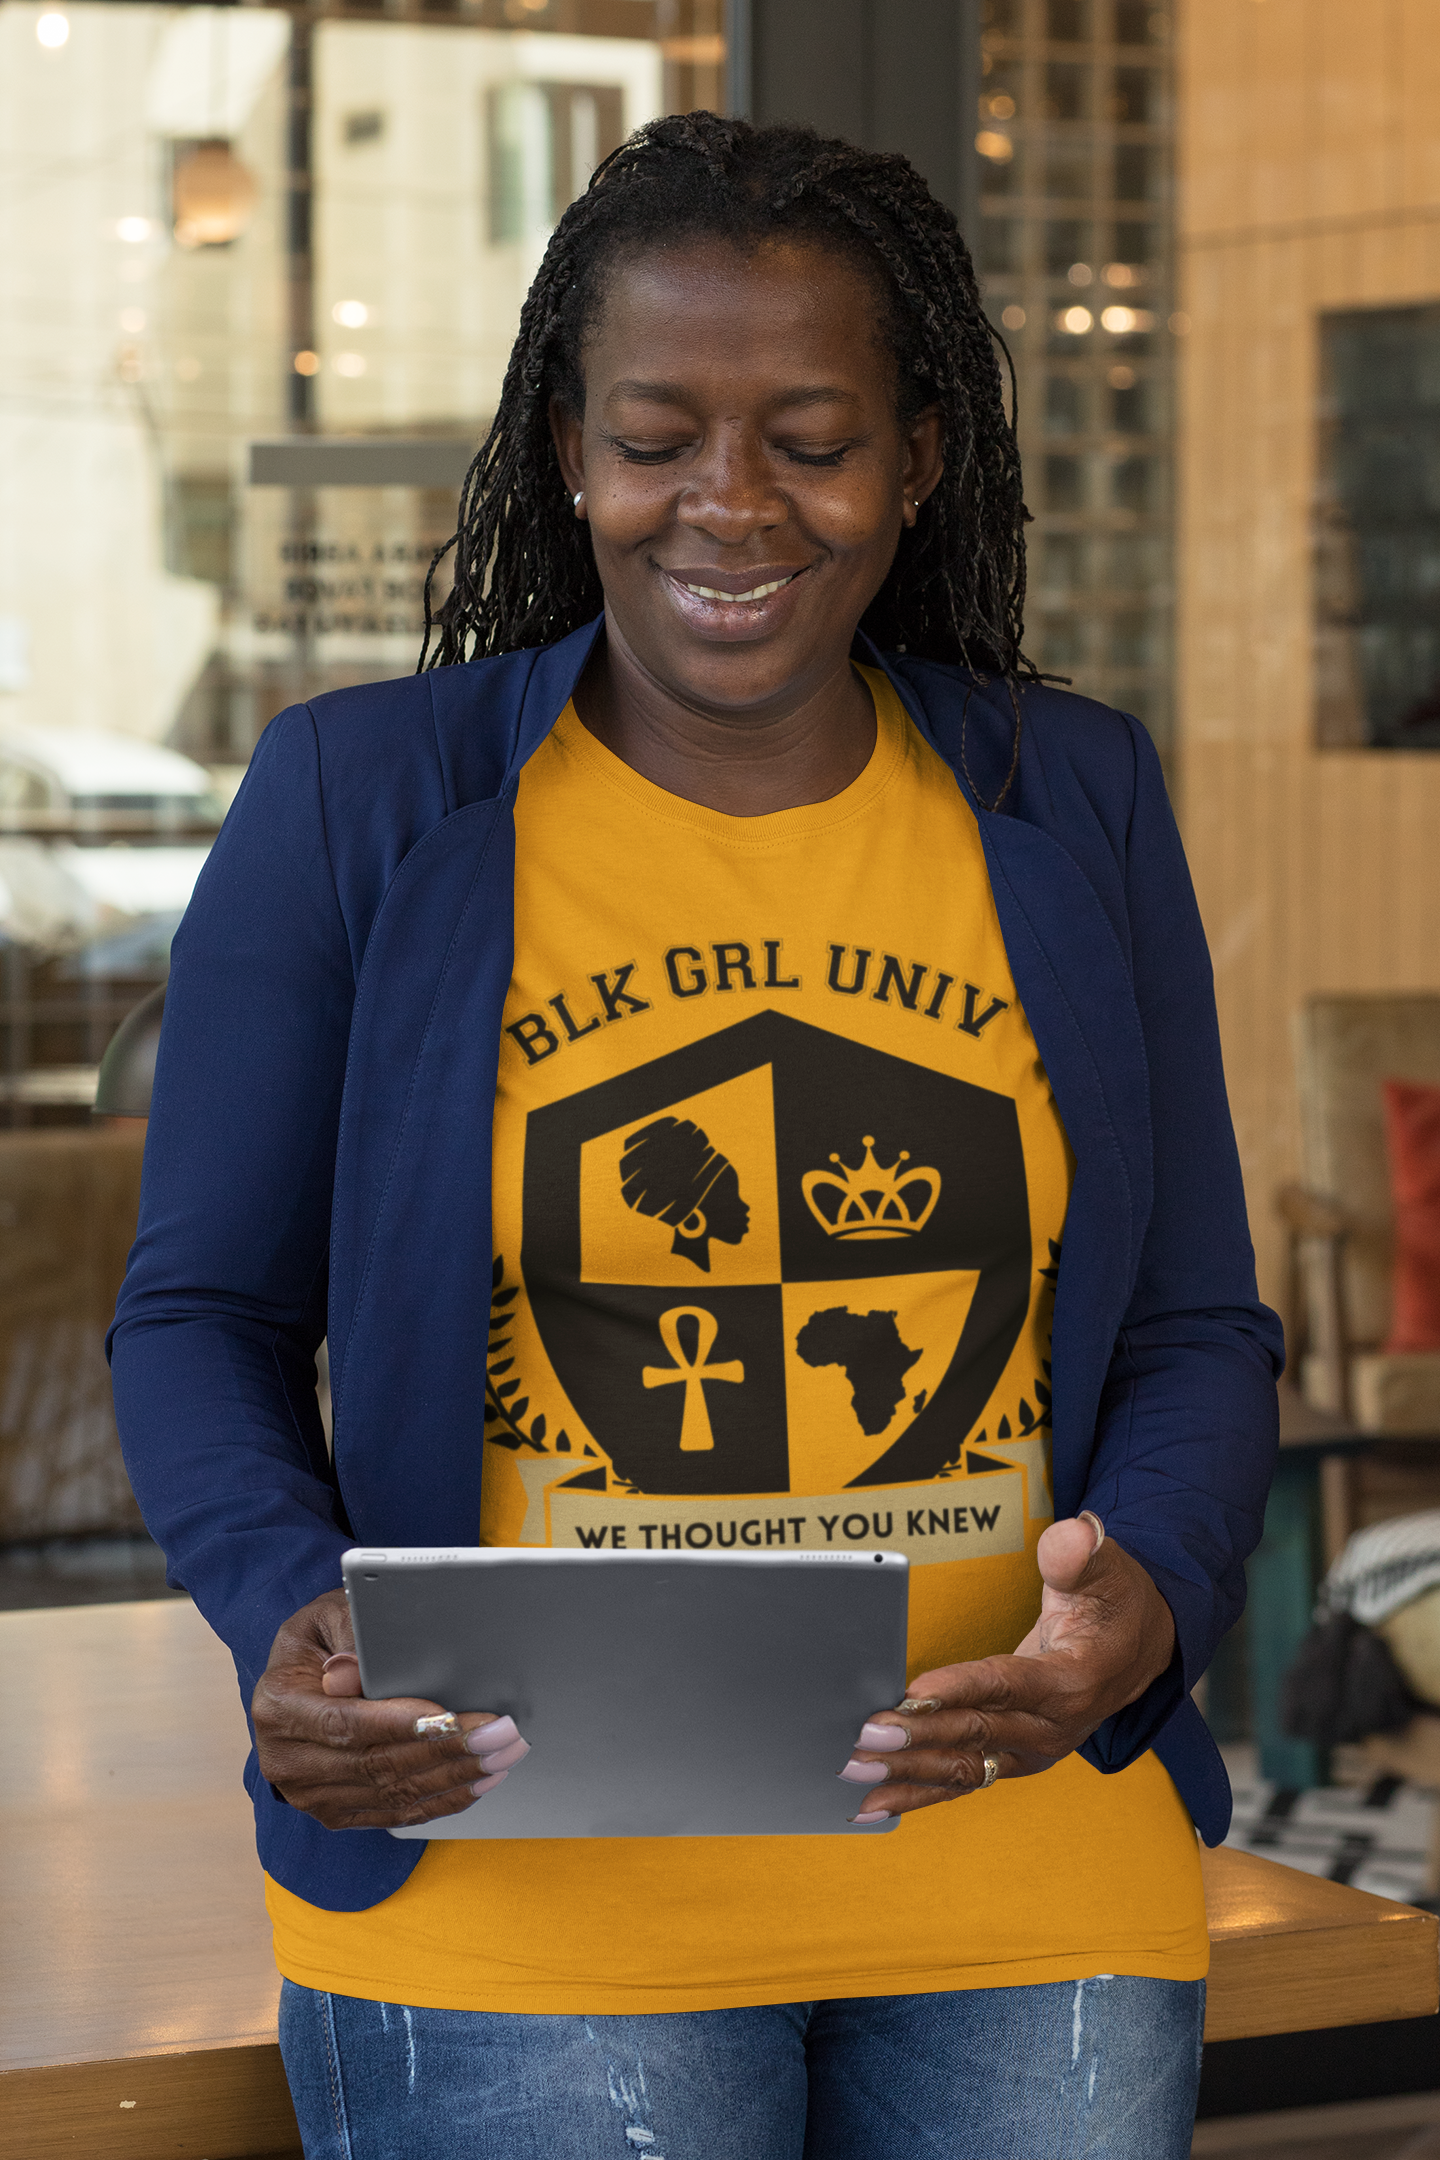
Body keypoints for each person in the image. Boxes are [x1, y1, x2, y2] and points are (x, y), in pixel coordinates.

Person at [110, 114, 1281, 2159]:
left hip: (1022, 1877)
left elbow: (1193, 1325)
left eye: (809, 436)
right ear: (570, 449)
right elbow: (201, 1310)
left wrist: (1152, 1596)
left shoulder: (1069, 796)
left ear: (916, 463)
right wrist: (288, 1602)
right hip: (508, 1889)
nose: (727, 503)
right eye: (657, 433)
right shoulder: (359, 806)